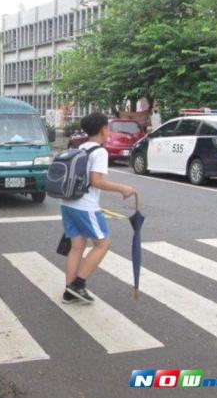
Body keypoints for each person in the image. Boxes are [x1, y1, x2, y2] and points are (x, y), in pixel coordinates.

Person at [61, 112, 136, 304]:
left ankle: (69, 292)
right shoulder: (100, 152)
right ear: (103, 129)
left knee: (77, 247)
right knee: (103, 243)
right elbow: (96, 181)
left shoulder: (80, 147)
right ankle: (79, 284)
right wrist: (123, 189)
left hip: (67, 203)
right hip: (85, 206)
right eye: (108, 127)